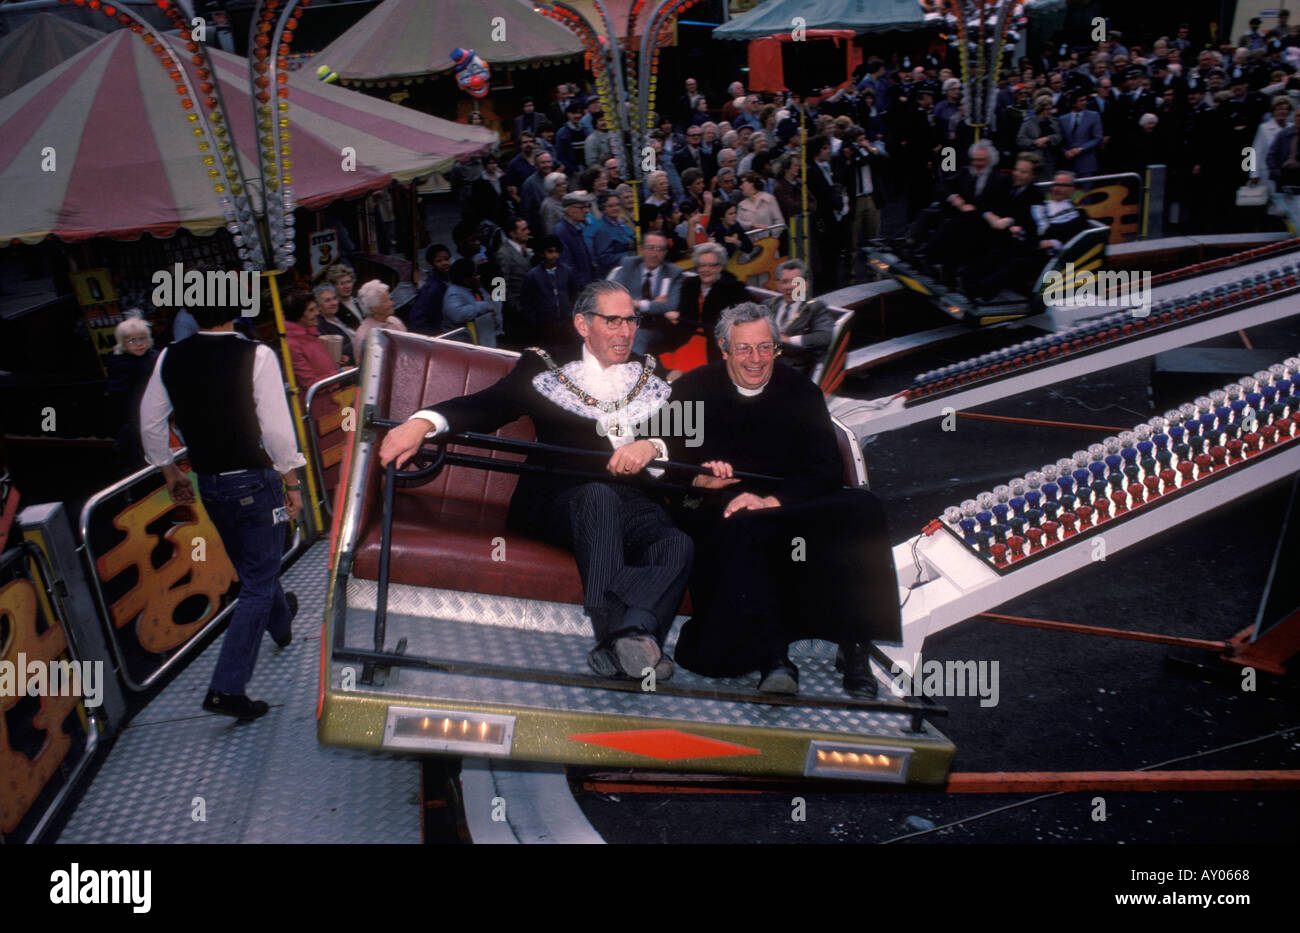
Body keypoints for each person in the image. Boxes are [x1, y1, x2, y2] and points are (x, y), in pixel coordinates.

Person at [378, 281, 692, 680]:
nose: (625, 331)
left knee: (676, 542)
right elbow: (487, 406)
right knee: (598, 498)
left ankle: (625, 639)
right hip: (559, 500)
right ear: (583, 324)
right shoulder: (545, 365)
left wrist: (652, 446)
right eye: (612, 321)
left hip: (634, 501)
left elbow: (684, 435)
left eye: (630, 320)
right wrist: (422, 422)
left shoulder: (648, 370)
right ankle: (625, 639)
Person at [665, 303, 901, 695]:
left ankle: (855, 644)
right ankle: (774, 657)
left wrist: (774, 500)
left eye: (765, 347)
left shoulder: (800, 391)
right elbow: (665, 462)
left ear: (776, 347)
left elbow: (825, 467)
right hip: (719, 507)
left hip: (787, 499)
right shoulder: (691, 389)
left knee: (864, 508)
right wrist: (696, 479)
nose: (755, 359)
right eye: (743, 349)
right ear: (723, 348)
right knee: (747, 524)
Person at [139, 296, 305, 721]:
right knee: (257, 582)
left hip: (209, 483)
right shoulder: (256, 354)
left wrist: (171, 474)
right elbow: (277, 429)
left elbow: (151, 424)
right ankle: (226, 688)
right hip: (253, 478)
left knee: (257, 573)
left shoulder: (170, 357)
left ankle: (281, 622)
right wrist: (292, 481)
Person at [664, 242, 750, 371]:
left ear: (720, 267)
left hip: (713, 343)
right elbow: (679, 311)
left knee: (681, 374)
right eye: (702, 265)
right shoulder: (689, 284)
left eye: (712, 265)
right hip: (685, 337)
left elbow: (737, 322)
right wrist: (674, 314)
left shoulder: (734, 289)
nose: (706, 270)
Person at [761, 260, 834, 377]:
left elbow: (824, 337)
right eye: (785, 282)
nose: (790, 287)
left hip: (792, 369)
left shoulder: (816, 307)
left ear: (806, 284)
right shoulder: (768, 304)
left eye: (795, 282)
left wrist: (788, 339)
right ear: (778, 285)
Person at [106, 316, 158, 473]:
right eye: (132, 341)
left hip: (156, 411)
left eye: (142, 339)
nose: (139, 344)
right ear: (123, 344)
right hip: (135, 416)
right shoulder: (121, 365)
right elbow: (119, 395)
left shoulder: (154, 356)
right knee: (136, 454)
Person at [520, 235, 579, 345]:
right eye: (550, 251)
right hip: (545, 327)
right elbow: (526, 303)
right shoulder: (533, 276)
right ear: (542, 253)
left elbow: (574, 295)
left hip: (566, 323)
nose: (554, 255)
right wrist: (536, 321)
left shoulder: (567, 272)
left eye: (557, 251)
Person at [282, 289, 340, 390]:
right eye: (311, 310)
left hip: (335, 397)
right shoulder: (292, 345)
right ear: (298, 316)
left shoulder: (311, 334)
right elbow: (310, 384)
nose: (318, 313)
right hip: (320, 403)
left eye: (316, 308)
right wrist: (340, 373)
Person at [441, 259, 503, 348]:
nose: (479, 277)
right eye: (475, 275)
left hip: (482, 343)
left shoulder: (477, 290)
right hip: (460, 346)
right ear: (466, 280)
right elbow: (457, 314)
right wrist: (483, 306)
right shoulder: (453, 293)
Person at [494, 217, 533, 343]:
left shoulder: (524, 248)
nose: (528, 232)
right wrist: (512, 307)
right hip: (517, 310)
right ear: (512, 233)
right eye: (524, 229)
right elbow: (499, 284)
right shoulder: (503, 253)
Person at [352, 280, 408, 360]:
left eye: (390, 299)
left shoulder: (395, 322)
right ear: (373, 308)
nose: (392, 303)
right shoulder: (364, 335)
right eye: (386, 301)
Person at [585, 191, 636, 278]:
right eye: (611, 206)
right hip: (613, 275)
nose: (615, 208)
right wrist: (629, 256)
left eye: (617, 205)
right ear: (603, 208)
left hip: (628, 270)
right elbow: (604, 258)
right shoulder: (602, 229)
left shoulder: (621, 223)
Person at [555, 191, 596, 289]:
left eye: (587, 207)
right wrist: (582, 285)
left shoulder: (578, 228)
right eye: (582, 207)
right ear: (569, 210)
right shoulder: (560, 232)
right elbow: (566, 265)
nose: (586, 211)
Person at [409, 244, 452, 336]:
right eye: (439, 261)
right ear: (431, 265)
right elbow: (417, 320)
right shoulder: (432, 289)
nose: (444, 263)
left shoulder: (447, 281)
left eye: (446, 259)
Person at [1059, 90, 1104, 175]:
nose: (1085, 103)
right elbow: (1060, 140)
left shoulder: (1094, 116)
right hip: (1069, 165)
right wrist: (1065, 152)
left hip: (1087, 163)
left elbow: (1098, 138)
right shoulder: (1063, 119)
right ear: (1073, 103)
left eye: (1085, 100)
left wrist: (1080, 149)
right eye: (1081, 100)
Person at [313, 283, 356, 366]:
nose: (333, 303)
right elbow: (333, 352)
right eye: (327, 300)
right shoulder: (319, 326)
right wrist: (357, 342)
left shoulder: (342, 315)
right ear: (318, 306)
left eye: (334, 298)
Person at [735, 169, 784, 234]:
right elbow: (739, 224)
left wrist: (771, 236)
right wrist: (750, 225)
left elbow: (780, 222)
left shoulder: (769, 199)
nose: (740, 186)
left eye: (742, 183)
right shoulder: (741, 205)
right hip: (751, 243)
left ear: (751, 183)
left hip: (770, 242)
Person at [538, 171, 570, 235]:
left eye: (564, 183)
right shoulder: (548, 206)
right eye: (559, 185)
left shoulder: (567, 199)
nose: (563, 186)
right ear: (551, 188)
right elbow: (550, 230)